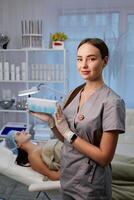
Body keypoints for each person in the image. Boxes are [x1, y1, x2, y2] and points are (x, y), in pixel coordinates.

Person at [30, 38, 125, 200]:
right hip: (68, 177)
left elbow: (104, 157)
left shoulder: (112, 102)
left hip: (91, 185)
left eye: (92, 59)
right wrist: (52, 123)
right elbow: (66, 139)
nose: (84, 65)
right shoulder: (73, 94)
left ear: (105, 61)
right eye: (80, 59)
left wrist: (68, 133)